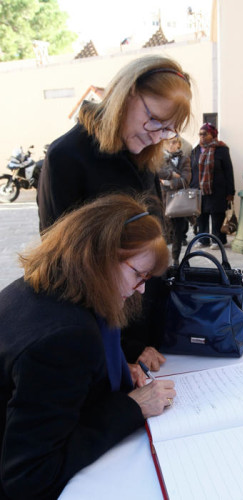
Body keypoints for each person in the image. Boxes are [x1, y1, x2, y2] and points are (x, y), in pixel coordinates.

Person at [0, 194, 176, 499]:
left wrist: (117, 370)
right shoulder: (64, 338)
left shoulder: (44, 287)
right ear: (99, 257)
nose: (142, 288)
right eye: (138, 274)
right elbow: (29, 475)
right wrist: (132, 407)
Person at [37, 54, 192, 368]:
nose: (155, 135)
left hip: (148, 334)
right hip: (105, 342)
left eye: (167, 130)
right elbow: (64, 268)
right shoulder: (67, 156)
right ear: (128, 94)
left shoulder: (143, 157)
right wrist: (125, 349)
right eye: (153, 120)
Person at [190, 123, 235, 249]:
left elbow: (228, 171)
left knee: (217, 215)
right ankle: (203, 239)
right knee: (201, 216)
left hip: (217, 190)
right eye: (200, 134)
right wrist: (191, 187)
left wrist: (230, 192)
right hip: (199, 189)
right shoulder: (195, 151)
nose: (202, 136)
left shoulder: (222, 150)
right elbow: (192, 170)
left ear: (213, 134)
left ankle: (218, 240)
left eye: (205, 134)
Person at [159, 136, 191, 266]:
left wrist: (169, 183)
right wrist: (172, 175)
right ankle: (164, 258)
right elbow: (158, 173)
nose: (171, 145)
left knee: (179, 230)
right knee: (165, 230)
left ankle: (176, 258)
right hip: (164, 200)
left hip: (180, 201)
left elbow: (185, 180)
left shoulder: (184, 159)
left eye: (174, 142)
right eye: (168, 143)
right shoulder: (160, 159)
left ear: (178, 144)